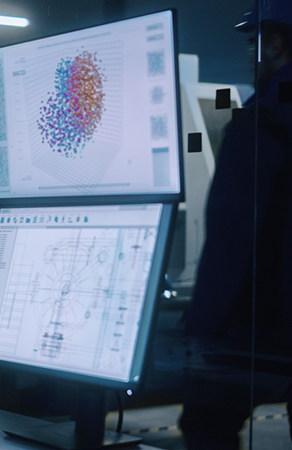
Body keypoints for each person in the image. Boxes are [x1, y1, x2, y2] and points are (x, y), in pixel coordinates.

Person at [179, 1, 292, 448]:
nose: (250, 55)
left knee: (207, 426)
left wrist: (200, 327)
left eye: (253, 43)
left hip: (255, 327)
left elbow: (231, 240)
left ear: (275, 43)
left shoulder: (259, 122)